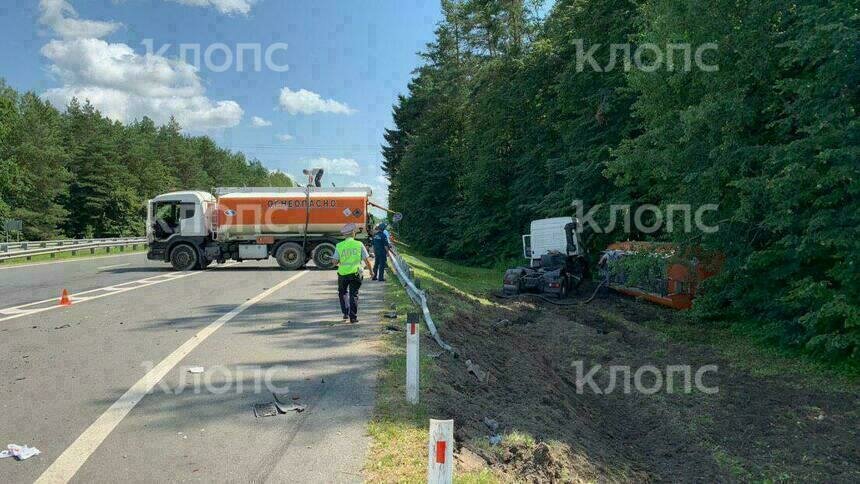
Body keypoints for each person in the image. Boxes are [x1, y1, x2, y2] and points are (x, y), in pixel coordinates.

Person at [331, 223, 373, 323]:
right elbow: (367, 260)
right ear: (353, 233)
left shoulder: (339, 245)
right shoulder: (359, 244)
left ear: (344, 235)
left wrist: (336, 260)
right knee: (354, 294)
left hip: (342, 274)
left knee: (343, 293)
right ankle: (353, 317)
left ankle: (345, 313)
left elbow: (334, 262)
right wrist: (371, 272)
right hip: (355, 273)